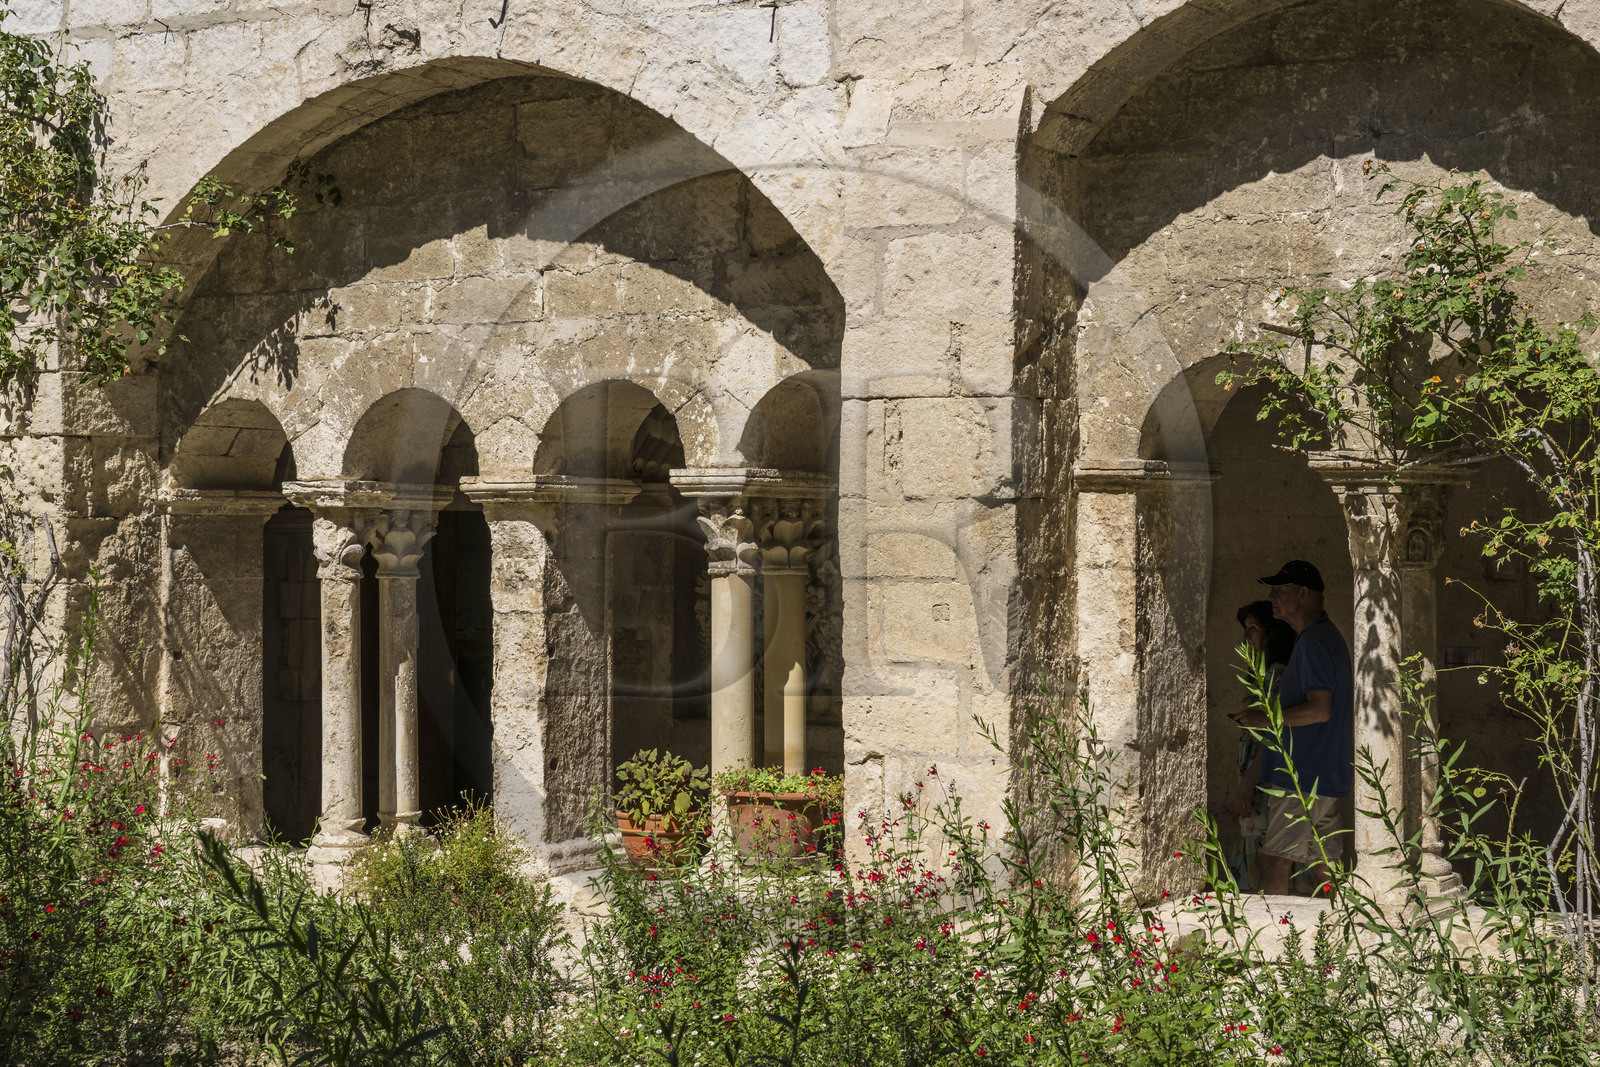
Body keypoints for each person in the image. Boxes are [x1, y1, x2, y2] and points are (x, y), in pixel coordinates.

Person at [1233, 560, 1354, 897]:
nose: (1272, 597)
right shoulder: (1320, 637)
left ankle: (1270, 944)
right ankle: (1349, 937)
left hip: (1301, 776)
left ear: (1302, 594)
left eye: (1279, 590)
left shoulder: (1315, 642)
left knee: (1275, 863)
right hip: (1321, 774)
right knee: (1323, 868)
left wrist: (1263, 718)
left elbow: (1319, 709)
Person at [1228, 601, 1297, 891]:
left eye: (1253, 629)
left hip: (1266, 781)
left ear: (1273, 633)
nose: (1247, 638)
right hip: (1261, 778)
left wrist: (1248, 783)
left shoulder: (1277, 674)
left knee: (1269, 856)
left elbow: (1275, 735)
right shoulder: (1265, 675)